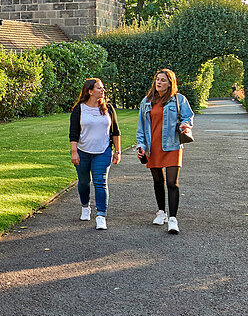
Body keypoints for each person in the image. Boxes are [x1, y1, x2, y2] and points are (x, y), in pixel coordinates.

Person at [136, 68, 194, 234]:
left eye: (163, 80)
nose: (159, 82)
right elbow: (141, 127)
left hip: (172, 145)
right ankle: (161, 212)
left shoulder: (178, 99)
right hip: (152, 146)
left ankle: (173, 219)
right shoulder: (146, 101)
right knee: (157, 180)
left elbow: (188, 116)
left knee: (172, 182)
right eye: (157, 79)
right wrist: (141, 145)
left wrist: (185, 125)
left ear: (170, 83)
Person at [69, 78, 122, 230]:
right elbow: (73, 133)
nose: (103, 90)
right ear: (90, 91)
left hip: (103, 151)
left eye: (103, 88)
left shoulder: (108, 108)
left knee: (100, 181)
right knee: (84, 181)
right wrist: (74, 152)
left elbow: (116, 132)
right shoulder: (79, 109)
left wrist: (117, 151)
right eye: (99, 88)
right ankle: (85, 207)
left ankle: (101, 215)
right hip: (83, 151)